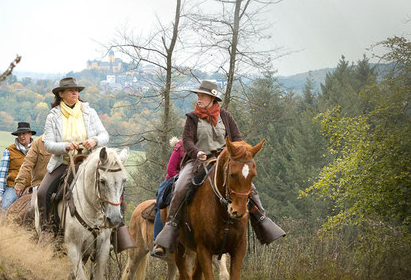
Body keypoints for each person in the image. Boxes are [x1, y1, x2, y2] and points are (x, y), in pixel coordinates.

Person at [152, 80, 285, 258]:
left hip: (224, 161)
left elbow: (237, 138)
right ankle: (170, 227)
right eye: (198, 96)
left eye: (202, 96)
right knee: (181, 185)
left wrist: (237, 153)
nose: (198, 99)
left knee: (249, 187)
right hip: (198, 161)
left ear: (212, 98)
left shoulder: (226, 116)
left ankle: (261, 220)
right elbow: (187, 141)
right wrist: (197, 152)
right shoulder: (192, 118)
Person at [37, 77, 134, 251]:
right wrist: (65, 146)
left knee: (115, 186)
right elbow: (49, 145)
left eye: (77, 90)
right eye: (70, 90)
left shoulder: (89, 112)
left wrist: (94, 141)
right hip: (64, 162)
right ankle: (47, 231)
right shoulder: (53, 116)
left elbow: (105, 135)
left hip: (90, 163)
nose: (75, 93)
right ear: (61, 94)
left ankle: (117, 232)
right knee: (43, 192)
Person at [0, 122, 36, 211]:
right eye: (19, 134)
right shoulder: (9, 151)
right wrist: (0, 196)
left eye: (24, 134)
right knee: (5, 206)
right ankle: (1, 224)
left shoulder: (37, 149)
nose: (21, 136)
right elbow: (2, 175)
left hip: (33, 187)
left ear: (30, 134)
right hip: (13, 187)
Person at [153, 137, 185, 242]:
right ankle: (157, 239)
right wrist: (181, 179)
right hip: (172, 180)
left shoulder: (203, 148)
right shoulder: (180, 147)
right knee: (161, 204)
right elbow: (170, 169)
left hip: (192, 181)